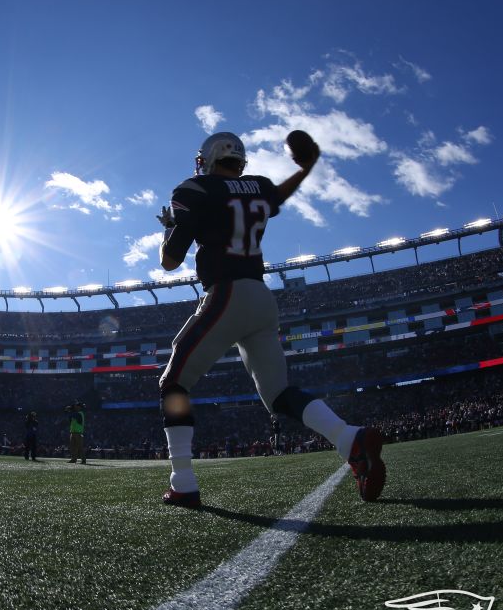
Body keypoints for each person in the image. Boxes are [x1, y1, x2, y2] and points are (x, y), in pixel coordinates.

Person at [154, 131, 384, 507]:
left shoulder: (195, 188)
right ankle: (348, 437)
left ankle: (183, 482)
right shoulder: (257, 187)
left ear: (208, 158)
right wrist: (307, 167)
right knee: (279, 394)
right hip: (262, 297)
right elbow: (278, 194)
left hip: (227, 293)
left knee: (173, 382)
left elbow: (170, 260)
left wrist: (169, 230)